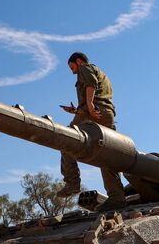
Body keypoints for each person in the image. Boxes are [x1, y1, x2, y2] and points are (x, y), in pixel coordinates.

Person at [57, 52, 127, 211]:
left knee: (64, 139)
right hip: (106, 113)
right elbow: (99, 94)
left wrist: (88, 104)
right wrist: (77, 110)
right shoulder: (102, 73)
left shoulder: (85, 68)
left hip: (92, 111)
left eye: (72, 67)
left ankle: (72, 182)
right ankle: (117, 197)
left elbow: (91, 84)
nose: (73, 71)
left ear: (79, 61)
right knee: (108, 156)